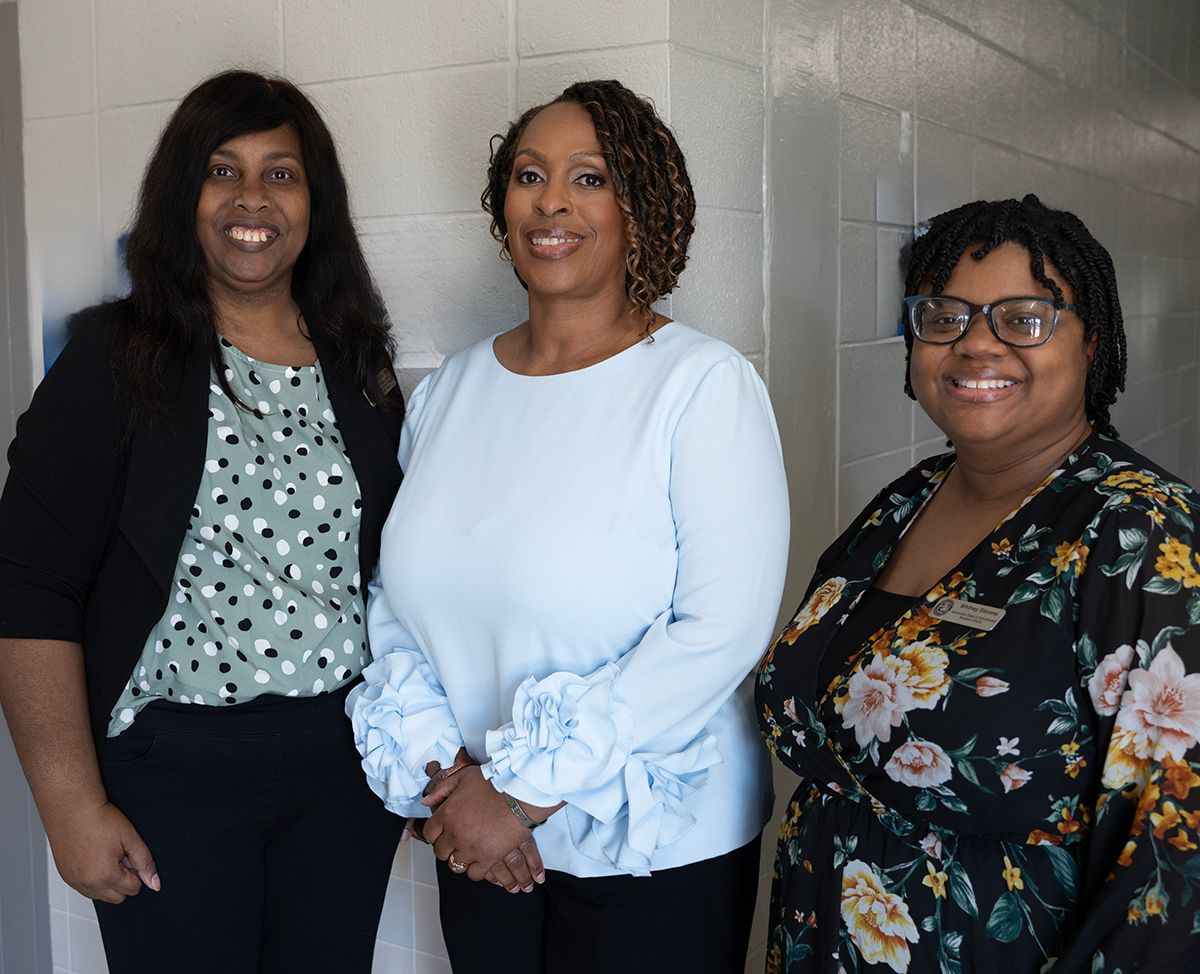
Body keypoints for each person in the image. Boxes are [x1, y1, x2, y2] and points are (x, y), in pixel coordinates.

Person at [347, 79, 790, 973]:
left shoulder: (702, 386)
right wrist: (447, 779)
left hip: (653, 850)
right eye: (529, 175)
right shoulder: (448, 391)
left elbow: (721, 631)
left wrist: (520, 792)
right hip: (477, 834)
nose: (551, 202)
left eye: (590, 178)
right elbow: (394, 604)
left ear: (641, 209)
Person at [0, 71, 406, 973]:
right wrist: (68, 805)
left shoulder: (356, 361)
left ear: (315, 203)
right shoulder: (116, 355)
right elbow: (28, 582)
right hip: (172, 771)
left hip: (342, 769)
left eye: (281, 174)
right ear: (183, 195)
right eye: (223, 171)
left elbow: (390, 572)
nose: (252, 198)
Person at [757, 194, 1200, 973]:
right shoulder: (906, 500)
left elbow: (1173, 855)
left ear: (1093, 342)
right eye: (946, 317)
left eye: (1024, 319)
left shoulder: (1139, 534)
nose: (976, 344)